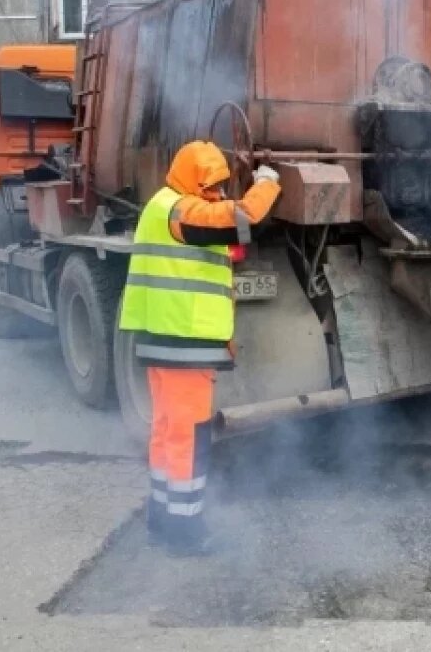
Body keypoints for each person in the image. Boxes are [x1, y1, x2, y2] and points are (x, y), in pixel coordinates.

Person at [119, 141, 281, 556]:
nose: (218, 194)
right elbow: (240, 218)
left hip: (165, 340)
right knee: (189, 438)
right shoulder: (180, 210)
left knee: (167, 431)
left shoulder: (163, 205)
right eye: (211, 186)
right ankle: (185, 531)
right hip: (183, 345)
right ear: (192, 180)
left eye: (221, 186)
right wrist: (266, 182)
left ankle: (162, 517)